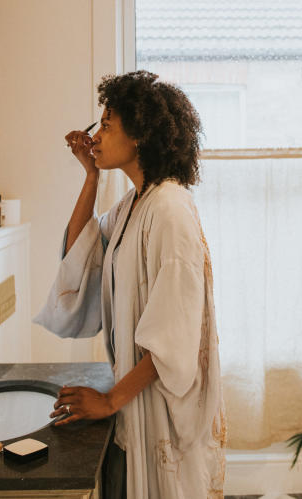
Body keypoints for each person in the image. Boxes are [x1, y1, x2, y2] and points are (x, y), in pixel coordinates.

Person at [33, 71, 226, 498]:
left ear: (138, 135)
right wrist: (90, 176)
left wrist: (108, 400)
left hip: (162, 407)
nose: (96, 135)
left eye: (107, 124)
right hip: (135, 396)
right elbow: (79, 253)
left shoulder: (170, 210)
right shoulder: (135, 203)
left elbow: (176, 332)